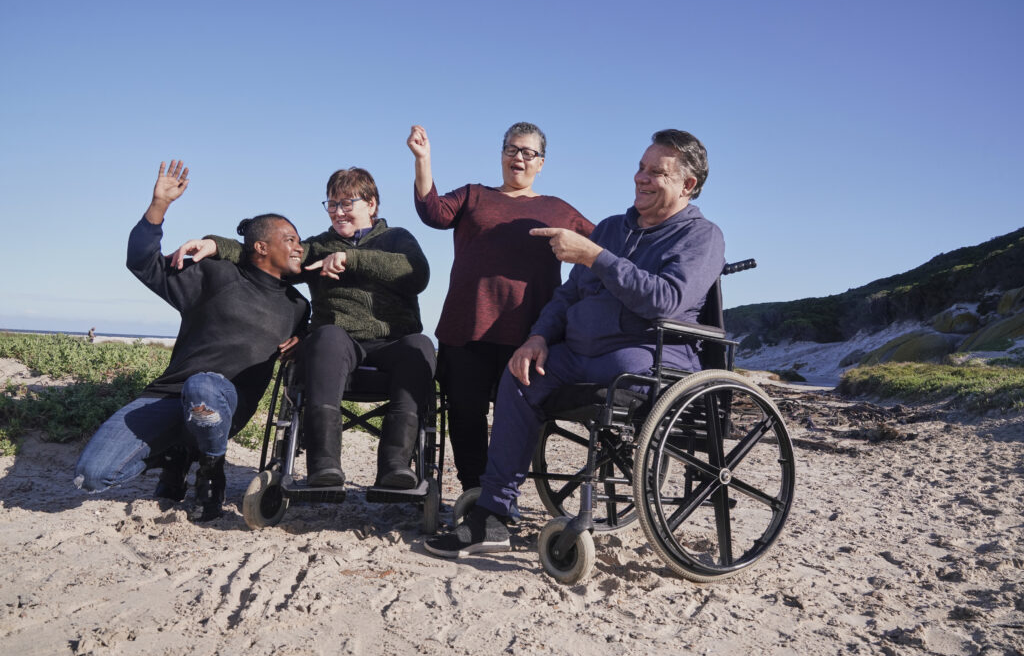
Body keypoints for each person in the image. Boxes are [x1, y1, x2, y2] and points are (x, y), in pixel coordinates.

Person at [423, 129, 727, 557]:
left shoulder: (701, 237)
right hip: (580, 354)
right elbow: (567, 296)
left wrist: (595, 257)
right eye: (641, 167)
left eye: (655, 172)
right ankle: (493, 512)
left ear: (687, 185)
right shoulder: (612, 228)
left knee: (612, 367)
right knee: (521, 376)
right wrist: (538, 337)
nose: (640, 177)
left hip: (648, 358)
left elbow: (667, 301)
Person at [74, 161, 311, 522]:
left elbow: (310, 342)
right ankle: (178, 453)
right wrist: (159, 206)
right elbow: (142, 262)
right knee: (92, 476)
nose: (299, 247)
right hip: (168, 396)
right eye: (290, 240)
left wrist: (303, 343)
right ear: (261, 247)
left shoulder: (298, 305)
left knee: (204, 386)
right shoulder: (215, 274)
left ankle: (210, 469)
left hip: (226, 404)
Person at [174, 167, 434, 490]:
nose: (338, 212)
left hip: (393, 344)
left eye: (346, 203)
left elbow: (417, 273)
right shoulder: (317, 248)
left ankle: (394, 465)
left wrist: (350, 259)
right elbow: (267, 254)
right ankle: (324, 465)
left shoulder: (398, 239)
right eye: (331, 204)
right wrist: (216, 246)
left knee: (421, 346)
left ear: (372, 204)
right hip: (338, 349)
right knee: (327, 336)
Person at [407, 122, 593, 493]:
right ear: (502, 154)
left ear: (541, 162)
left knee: (517, 418)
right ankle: (473, 491)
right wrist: (423, 160)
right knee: (465, 412)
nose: (518, 158)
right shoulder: (474, 195)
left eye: (528, 153)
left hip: (530, 334)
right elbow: (434, 213)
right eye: (511, 150)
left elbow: (602, 252)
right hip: (467, 327)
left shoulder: (559, 209)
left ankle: (501, 491)